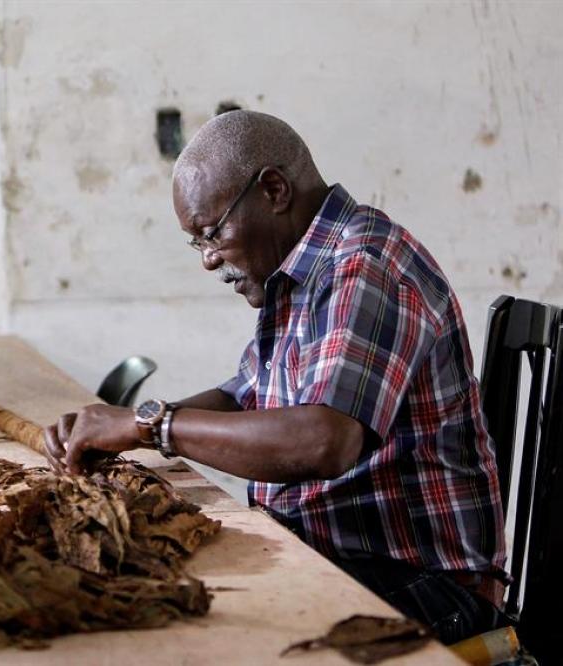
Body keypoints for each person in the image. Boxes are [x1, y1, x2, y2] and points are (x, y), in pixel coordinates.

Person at [43, 110, 508, 645]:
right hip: (341, 557)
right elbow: (243, 396)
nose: (209, 260)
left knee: (180, 632)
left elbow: (323, 440)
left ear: (273, 189)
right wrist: (122, 429)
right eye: (197, 243)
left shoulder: (365, 267)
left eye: (211, 233)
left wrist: (153, 426)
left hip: (423, 588)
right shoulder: (297, 274)